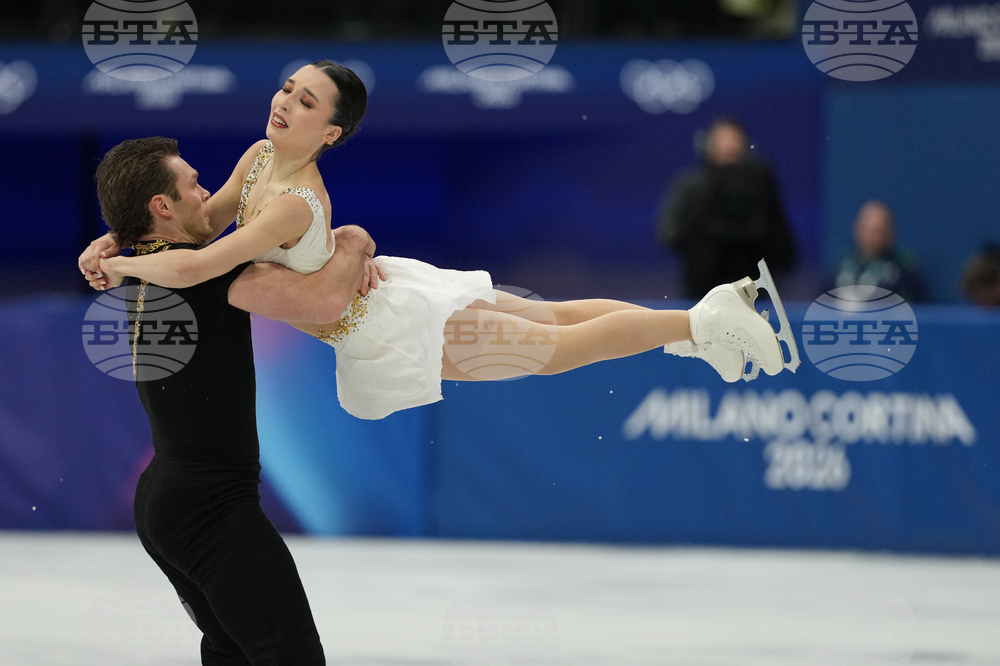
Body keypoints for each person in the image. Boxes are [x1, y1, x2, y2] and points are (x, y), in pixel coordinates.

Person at [86, 61, 798, 422]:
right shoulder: (260, 159)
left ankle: (704, 325)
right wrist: (114, 237)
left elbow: (204, 260)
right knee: (549, 318)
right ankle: (695, 325)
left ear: (330, 132)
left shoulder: (288, 209)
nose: (285, 102)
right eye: (288, 88)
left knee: (554, 351)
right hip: (394, 292)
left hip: (386, 324)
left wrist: (121, 264)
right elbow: (197, 223)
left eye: (307, 102)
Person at [78, 135, 379, 664]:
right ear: (162, 206)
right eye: (194, 184)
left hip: (167, 501)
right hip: (209, 506)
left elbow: (209, 223)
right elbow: (329, 299)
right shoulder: (202, 275)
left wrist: (112, 238)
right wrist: (352, 240)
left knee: (231, 654)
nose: (208, 194)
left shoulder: (150, 270)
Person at [657, 116, 797, 299]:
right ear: (707, 145)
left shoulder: (761, 183)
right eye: (722, 140)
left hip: (754, 290)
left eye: (735, 140)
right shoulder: (692, 185)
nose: (730, 147)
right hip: (702, 289)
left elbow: (779, 237)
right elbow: (670, 234)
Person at [831, 200, 926, 303]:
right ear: (856, 229)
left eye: (880, 230)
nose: (874, 237)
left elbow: (921, 310)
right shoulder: (841, 265)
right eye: (869, 230)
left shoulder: (904, 268)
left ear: (891, 232)